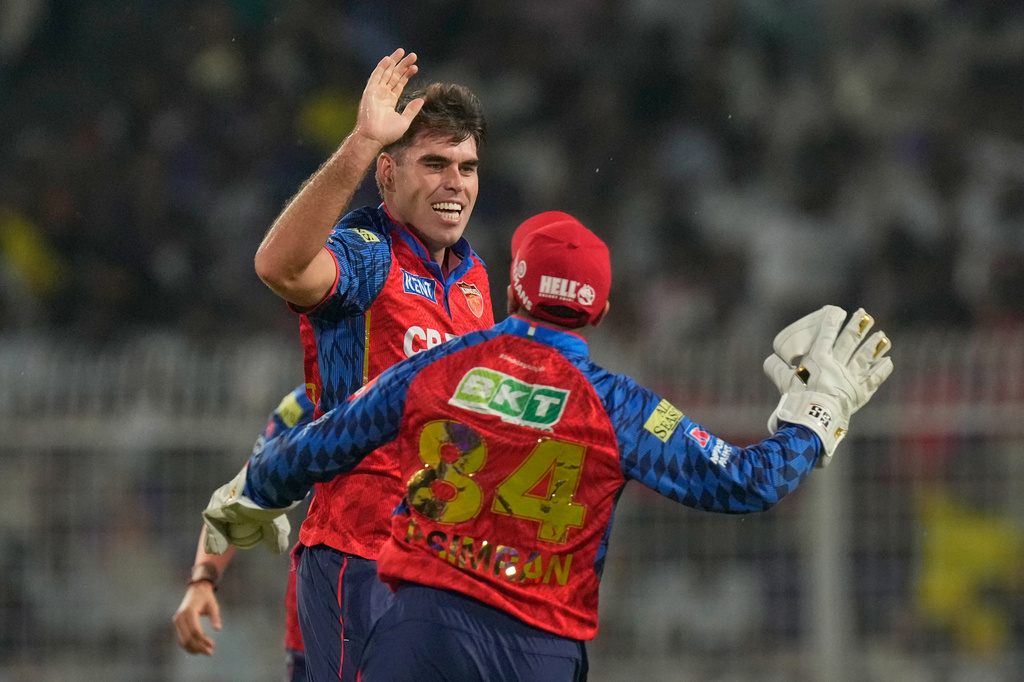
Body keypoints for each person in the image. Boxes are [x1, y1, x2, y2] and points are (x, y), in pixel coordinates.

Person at [202, 212, 894, 680]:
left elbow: (323, 442)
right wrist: (814, 418)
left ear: (512, 288)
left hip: (422, 632)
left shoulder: (438, 367)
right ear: (600, 311)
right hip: (539, 652)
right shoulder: (620, 407)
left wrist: (254, 495)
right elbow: (746, 482)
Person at [174, 48, 494, 681]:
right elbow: (281, 267)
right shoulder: (369, 253)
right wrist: (205, 575)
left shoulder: (474, 279)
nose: (455, 183)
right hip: (363, 560)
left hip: (447, 569)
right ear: (387, 175)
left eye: (467, 167)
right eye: (434, 164)